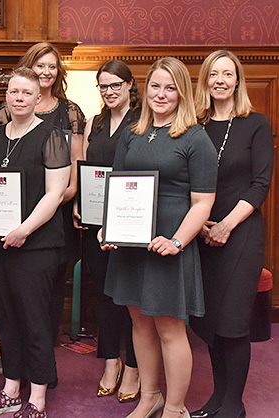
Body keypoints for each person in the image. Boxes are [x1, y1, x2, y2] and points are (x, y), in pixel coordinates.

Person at [101, 57, 217, 418]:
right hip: (132, 243)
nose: (161, 94)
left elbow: (203, 203)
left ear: (182, 92)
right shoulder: (133, 131)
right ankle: (149, 397)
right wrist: (108, 225)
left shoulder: (196, 138)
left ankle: (176, 408)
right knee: (139, 323)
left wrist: (178, 241)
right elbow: (117, 185)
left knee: (169, 328)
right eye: (155, 86)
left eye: (170, 88)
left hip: (169, 245)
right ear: (145, 88)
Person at [0, 67, 70, 418]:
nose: (19, 98)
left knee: (34, 321)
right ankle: (12, 387)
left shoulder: (52, 135)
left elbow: (56, 193)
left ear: (38, 98)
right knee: (5, 320)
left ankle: (38, 397)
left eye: (26, 93)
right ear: (6, 96)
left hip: (35, 247)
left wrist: (24, 229)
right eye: (13, 92)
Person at [190, 50, 274, 418]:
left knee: (232, 321)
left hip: (241, 233)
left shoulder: (256, 123)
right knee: (210, 323)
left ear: (237, 80)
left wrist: (226, 224)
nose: (220, 80)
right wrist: (201, 223)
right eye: (213, 74)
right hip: (202, 233)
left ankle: (234, 404)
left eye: (227, 74)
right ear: (205, 81)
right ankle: (217, 399)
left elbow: (260, 184)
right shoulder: (195, 126)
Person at [0, 43, 84, 372]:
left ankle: (43, 361)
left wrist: (49, 202)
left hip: (56, 213)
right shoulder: (7, 113)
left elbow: (74, 170)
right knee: (18, 295)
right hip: (12, 216)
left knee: (48, 294)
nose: (46, 72)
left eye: (52, 66)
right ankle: (25, 363)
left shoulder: (70, 111)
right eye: (40, 66)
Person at [77, 60, 140, 402]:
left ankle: (133, 367)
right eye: (103, 86)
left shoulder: (142, 122)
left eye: (116, 85)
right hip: (95, 220)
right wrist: (79, 206)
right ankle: (110, 362)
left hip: (129, 219)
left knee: (127, 297)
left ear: (130, 85)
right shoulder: (95, 122)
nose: (110, 92)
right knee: (102, 295)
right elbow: (86, 167)